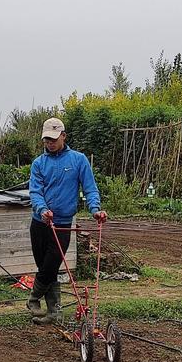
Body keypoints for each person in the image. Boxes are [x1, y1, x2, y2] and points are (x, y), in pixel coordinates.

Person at [28, 117, 107, 325]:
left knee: (51, 263)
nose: (50, 143)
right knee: (45, 266)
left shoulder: (78, 160)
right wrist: (42, 209)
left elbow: (90, 188)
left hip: (62, 223)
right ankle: (54, 312)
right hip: (40, 223)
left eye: (54, 139)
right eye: (47, 140)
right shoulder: (39, 163)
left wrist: (95, 210)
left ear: (63, 136)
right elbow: (35, 192)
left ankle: (33, 298)